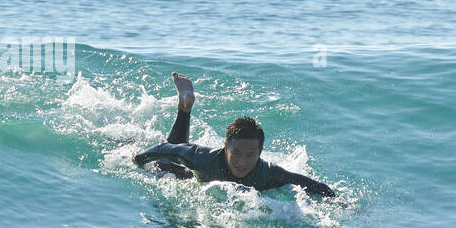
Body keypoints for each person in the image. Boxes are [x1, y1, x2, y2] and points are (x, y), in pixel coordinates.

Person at [133, 73, 336, 197]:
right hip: (192, 175)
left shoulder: (268, 173)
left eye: (250, 155)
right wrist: (137, 161)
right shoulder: (203, 158)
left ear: (260, 152)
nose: (241, 162)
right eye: (236, 153)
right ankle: (184, 108)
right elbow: (164, 149)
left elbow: (310, 184)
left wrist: (342, 204)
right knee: (166, 167)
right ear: (225, 147)